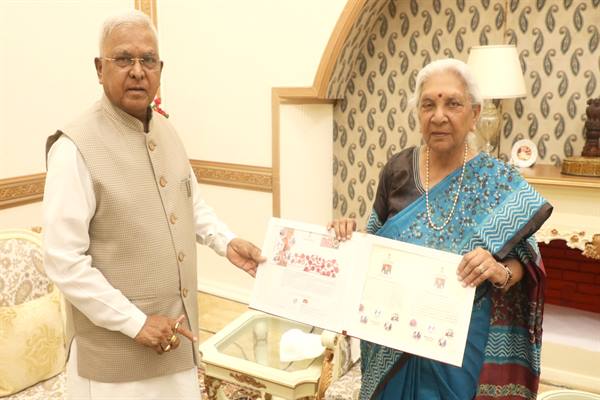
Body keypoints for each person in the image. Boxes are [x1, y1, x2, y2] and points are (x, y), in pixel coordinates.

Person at [43, 10, 264, 400]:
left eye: (148, 60)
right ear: (99, 68)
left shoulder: (167, 131)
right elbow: (63, 261)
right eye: (123, 59)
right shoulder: (73, 149)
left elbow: (190, 201)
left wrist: (225, 241)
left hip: (177, 342)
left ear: (160, 69)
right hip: (116, 368)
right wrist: (135, 322)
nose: (137, 71)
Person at [329, 58, 552, 400]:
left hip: (458, 339)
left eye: (453, 104)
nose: (439, 116)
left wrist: (499, 271)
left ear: (475, 114)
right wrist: (347, 236)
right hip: (390, 333)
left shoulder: (498, 180)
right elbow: (373, 245)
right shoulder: (398, 169)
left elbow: (527, 263)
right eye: (428, 104)